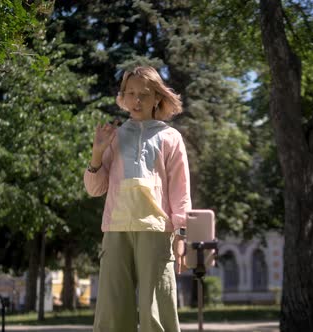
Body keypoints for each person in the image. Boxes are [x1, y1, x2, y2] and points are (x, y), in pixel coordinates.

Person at [84, 66, 191, 332]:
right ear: (123, 97)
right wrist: (97, 153)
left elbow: (181, 191)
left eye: (144, 94)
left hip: (156, 230)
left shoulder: (170, 137)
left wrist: (182, 234)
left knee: (156, 310)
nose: (137, 100)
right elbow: (95, 189)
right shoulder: (115, 136)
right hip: (116, 229)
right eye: (130, 93)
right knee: (112, 312)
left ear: (158, 97)